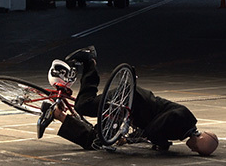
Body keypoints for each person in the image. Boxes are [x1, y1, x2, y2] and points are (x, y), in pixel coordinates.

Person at [39, 46, 219, 156]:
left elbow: (158, 129)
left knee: (96, 141)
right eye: (198, 149)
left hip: (132, 111)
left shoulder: (184, 127)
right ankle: (89, 62)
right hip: (133, 101)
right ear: (201, 140)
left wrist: (159, 142)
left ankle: (56, 113)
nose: (193, 150)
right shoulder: (183, 120)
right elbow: (155, 128)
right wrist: (140, 138)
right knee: (84, 105)